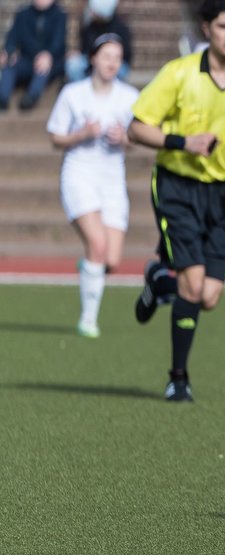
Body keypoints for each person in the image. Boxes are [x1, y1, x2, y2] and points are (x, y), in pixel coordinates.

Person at [127, 0, 225, 402]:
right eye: (223, 27)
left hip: (222, 193)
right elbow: (136, 128)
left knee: (208, 296)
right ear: (206, 28)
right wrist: (182, 141)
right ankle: (178, 377)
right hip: (176, 185)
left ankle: (159, 282)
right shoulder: (179, 73)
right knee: (192, 288)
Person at [45, 33, 139, 338]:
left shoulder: (129, 96)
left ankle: (89, 267)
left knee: (110, 259)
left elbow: (138, 138)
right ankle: (88, 320)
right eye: (107, 56)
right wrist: (81, 134)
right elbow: (56, 137)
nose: (112, 62)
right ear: (93, 59)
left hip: (112, 179)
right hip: (79, 173)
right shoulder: (74, 94)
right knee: (98, 245)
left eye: (117, 57)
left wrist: (123, 138)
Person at [1, 0, 67, 111]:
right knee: (10, 64)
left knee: (43, 64)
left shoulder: (60, 15)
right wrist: (9, 51)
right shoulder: (23, 14)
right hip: (26, 59)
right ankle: (2, 98)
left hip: (51, 62)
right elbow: (13, 36)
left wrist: (48, 54)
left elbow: (58, 41)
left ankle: (32, 97)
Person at [66, 0, 133, 83]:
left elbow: (125, 56)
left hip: (115, 65)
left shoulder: (121, 29)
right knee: (74, 64)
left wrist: (107, 59)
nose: (91, 12)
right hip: (92, 63)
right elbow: (85, 51)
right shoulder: (89, 28)